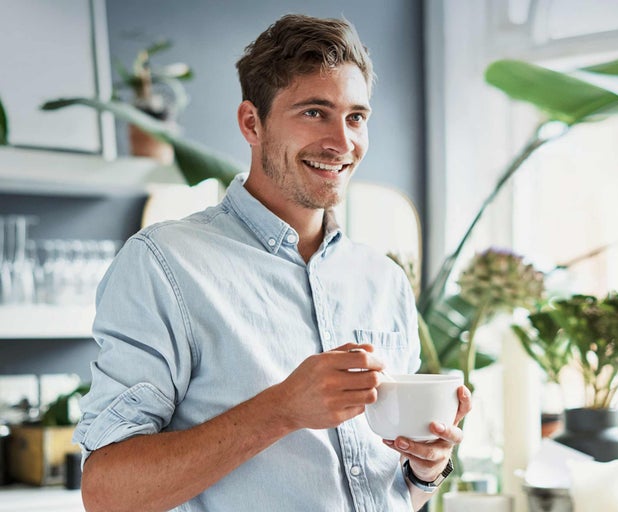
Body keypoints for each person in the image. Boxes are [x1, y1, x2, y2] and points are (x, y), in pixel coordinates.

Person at [74, 13, 471, 512]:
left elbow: (393, 490)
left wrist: (426, 467)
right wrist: (281, 409)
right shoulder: (164, 264)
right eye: (313, 112)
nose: (342, 142)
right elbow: (107, 493)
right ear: (251, 122)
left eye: (356, 117)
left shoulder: (383, 280)